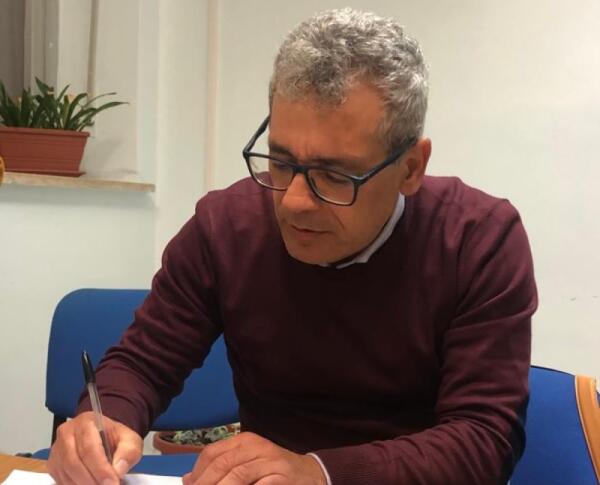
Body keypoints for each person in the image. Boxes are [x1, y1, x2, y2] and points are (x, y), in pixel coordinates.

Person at [47, 8, 537, 485]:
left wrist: (320, 472)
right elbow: (143, 363)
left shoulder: (478, 240)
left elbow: (483, 440)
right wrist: (103, 420)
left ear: (410, 168)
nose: (295, 202)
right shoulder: (226, 227)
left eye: (334, 175)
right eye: (281, 163)